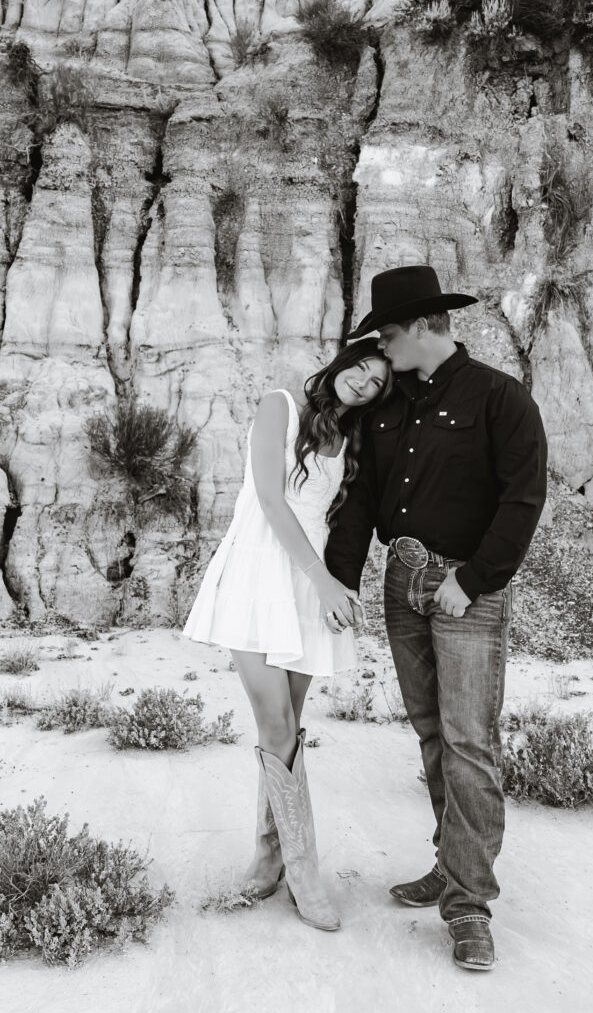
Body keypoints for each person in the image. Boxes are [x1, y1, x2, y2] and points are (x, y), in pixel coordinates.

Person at [323, 265, 547, 969]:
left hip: (464, 589)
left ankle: (469, 904)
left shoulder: (499, 397)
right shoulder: (387, 406)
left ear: (424, 327)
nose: (381, 347)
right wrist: (339, 580)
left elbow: (522, 499)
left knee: (468, 743)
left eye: (388, 334)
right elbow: (360, 499)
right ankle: (450, 866)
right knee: (430, 735)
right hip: (402, 581)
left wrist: (472, 581)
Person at [183, 338, 392, 931]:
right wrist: (324, 582)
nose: (364, 383)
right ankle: (303, 874)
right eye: (361, 368)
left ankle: (270, 858)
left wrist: (334, 585)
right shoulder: (280, 405)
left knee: (289, 730)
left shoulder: (351, 438)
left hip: (307, 587)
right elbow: (272, 503)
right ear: (342, 362)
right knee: (275, 724)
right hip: (258, 575)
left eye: (378, 382)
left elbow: (343, 520)